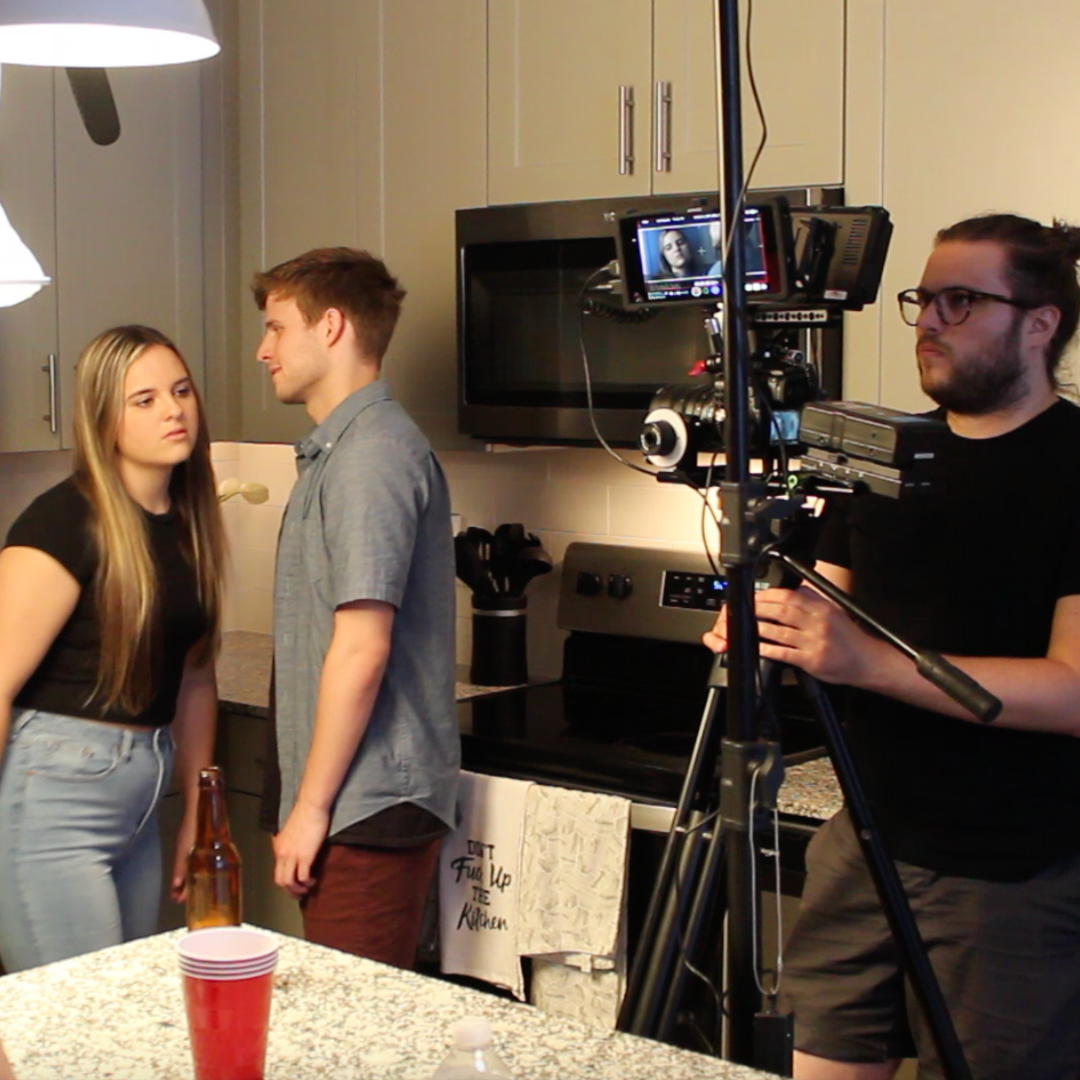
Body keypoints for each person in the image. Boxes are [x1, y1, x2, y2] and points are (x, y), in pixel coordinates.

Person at [705, 214, 1080, 1080]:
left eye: (962, 300)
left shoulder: (1074, 467)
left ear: (1040, 322)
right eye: (923, 299)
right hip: (863, 838)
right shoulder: (882, 455)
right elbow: (825, 603)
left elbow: (1069, 692)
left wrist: (869, 661)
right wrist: (769, 631)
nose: (929, 321)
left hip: (1010, 868)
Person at [252, 247, 459, 968]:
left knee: (361, 1042)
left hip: (367, 807)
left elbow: (363, 649)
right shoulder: (339, 452)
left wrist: (311, 811)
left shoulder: (371, 456)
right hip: (355, 800)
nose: (263, 350)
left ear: (331, 326)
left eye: (277, 328)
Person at [0, 325, 224, 973]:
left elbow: (196, 679)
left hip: (139, 806)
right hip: (54, 800)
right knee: (76, 1031)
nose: (174, 410)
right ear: (104, 421)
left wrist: (200, 816)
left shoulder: (185, 525)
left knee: (117, 1019)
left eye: (180, 390)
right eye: (144, 400)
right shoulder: (63, 522)